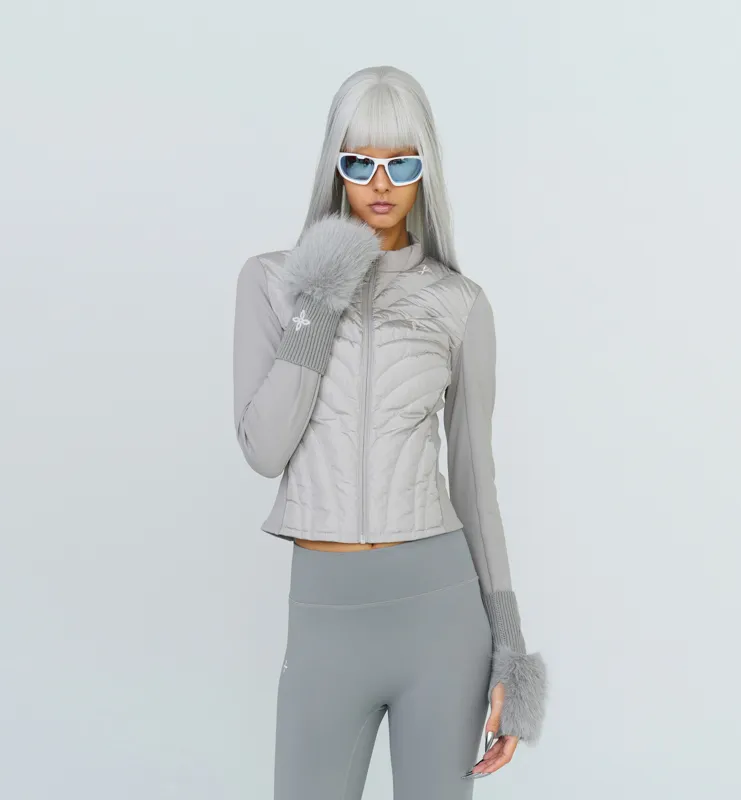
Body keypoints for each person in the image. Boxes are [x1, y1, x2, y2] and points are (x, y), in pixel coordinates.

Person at [232, 65, 547, 799]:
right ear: (334, 167)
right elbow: (265, 448)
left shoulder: (459, 303)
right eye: (360, 162)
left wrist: (509, 648)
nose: (381, 183)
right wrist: (323, 288)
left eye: (401, 164)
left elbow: (475, 483)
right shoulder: (272, 283)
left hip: (440, 616)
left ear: (425, 170)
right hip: (325, 620)